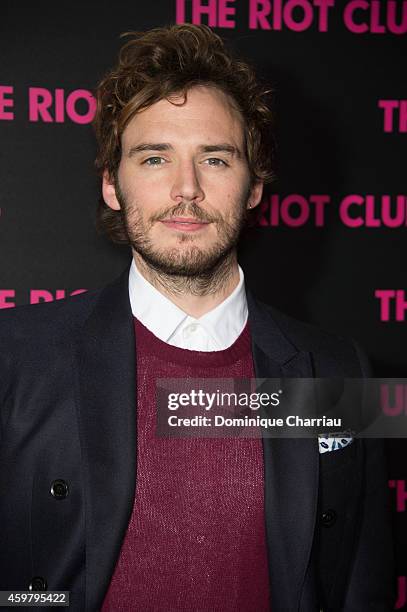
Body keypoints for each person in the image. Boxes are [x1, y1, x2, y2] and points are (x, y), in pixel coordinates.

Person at [0, 23, 394, 612]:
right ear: (112, 184)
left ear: (254, 186)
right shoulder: (14, 355)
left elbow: (364, 580)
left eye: (215, 158)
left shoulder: (339, 368)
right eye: (155, 157)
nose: (187, 189)